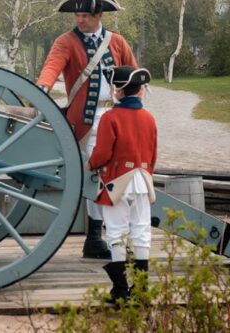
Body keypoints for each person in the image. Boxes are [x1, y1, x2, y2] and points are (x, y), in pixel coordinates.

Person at [36, 0, 138, 259]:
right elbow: (52, 67)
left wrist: (135, 109)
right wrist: (42, 89)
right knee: (95, 178)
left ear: (98, 16)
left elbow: (135, 75)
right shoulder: (66, 41)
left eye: (85, 16)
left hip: (117, 118)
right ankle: (94, 238)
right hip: (86, 124)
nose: (79, 21)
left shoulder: (116, 42)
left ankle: (119, 235)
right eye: (77, 16)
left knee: (121, 177)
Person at [88, 65, 156, 304]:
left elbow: (102, 153)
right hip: (142, 180)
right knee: (141, 232)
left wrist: (91, 164)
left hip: (117, 181)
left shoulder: (110, 117)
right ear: (138, 90)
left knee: (116, 232)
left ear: (118, 90)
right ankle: (141, 289)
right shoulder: (149, 117)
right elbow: (153, 153)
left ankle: (120, 290)